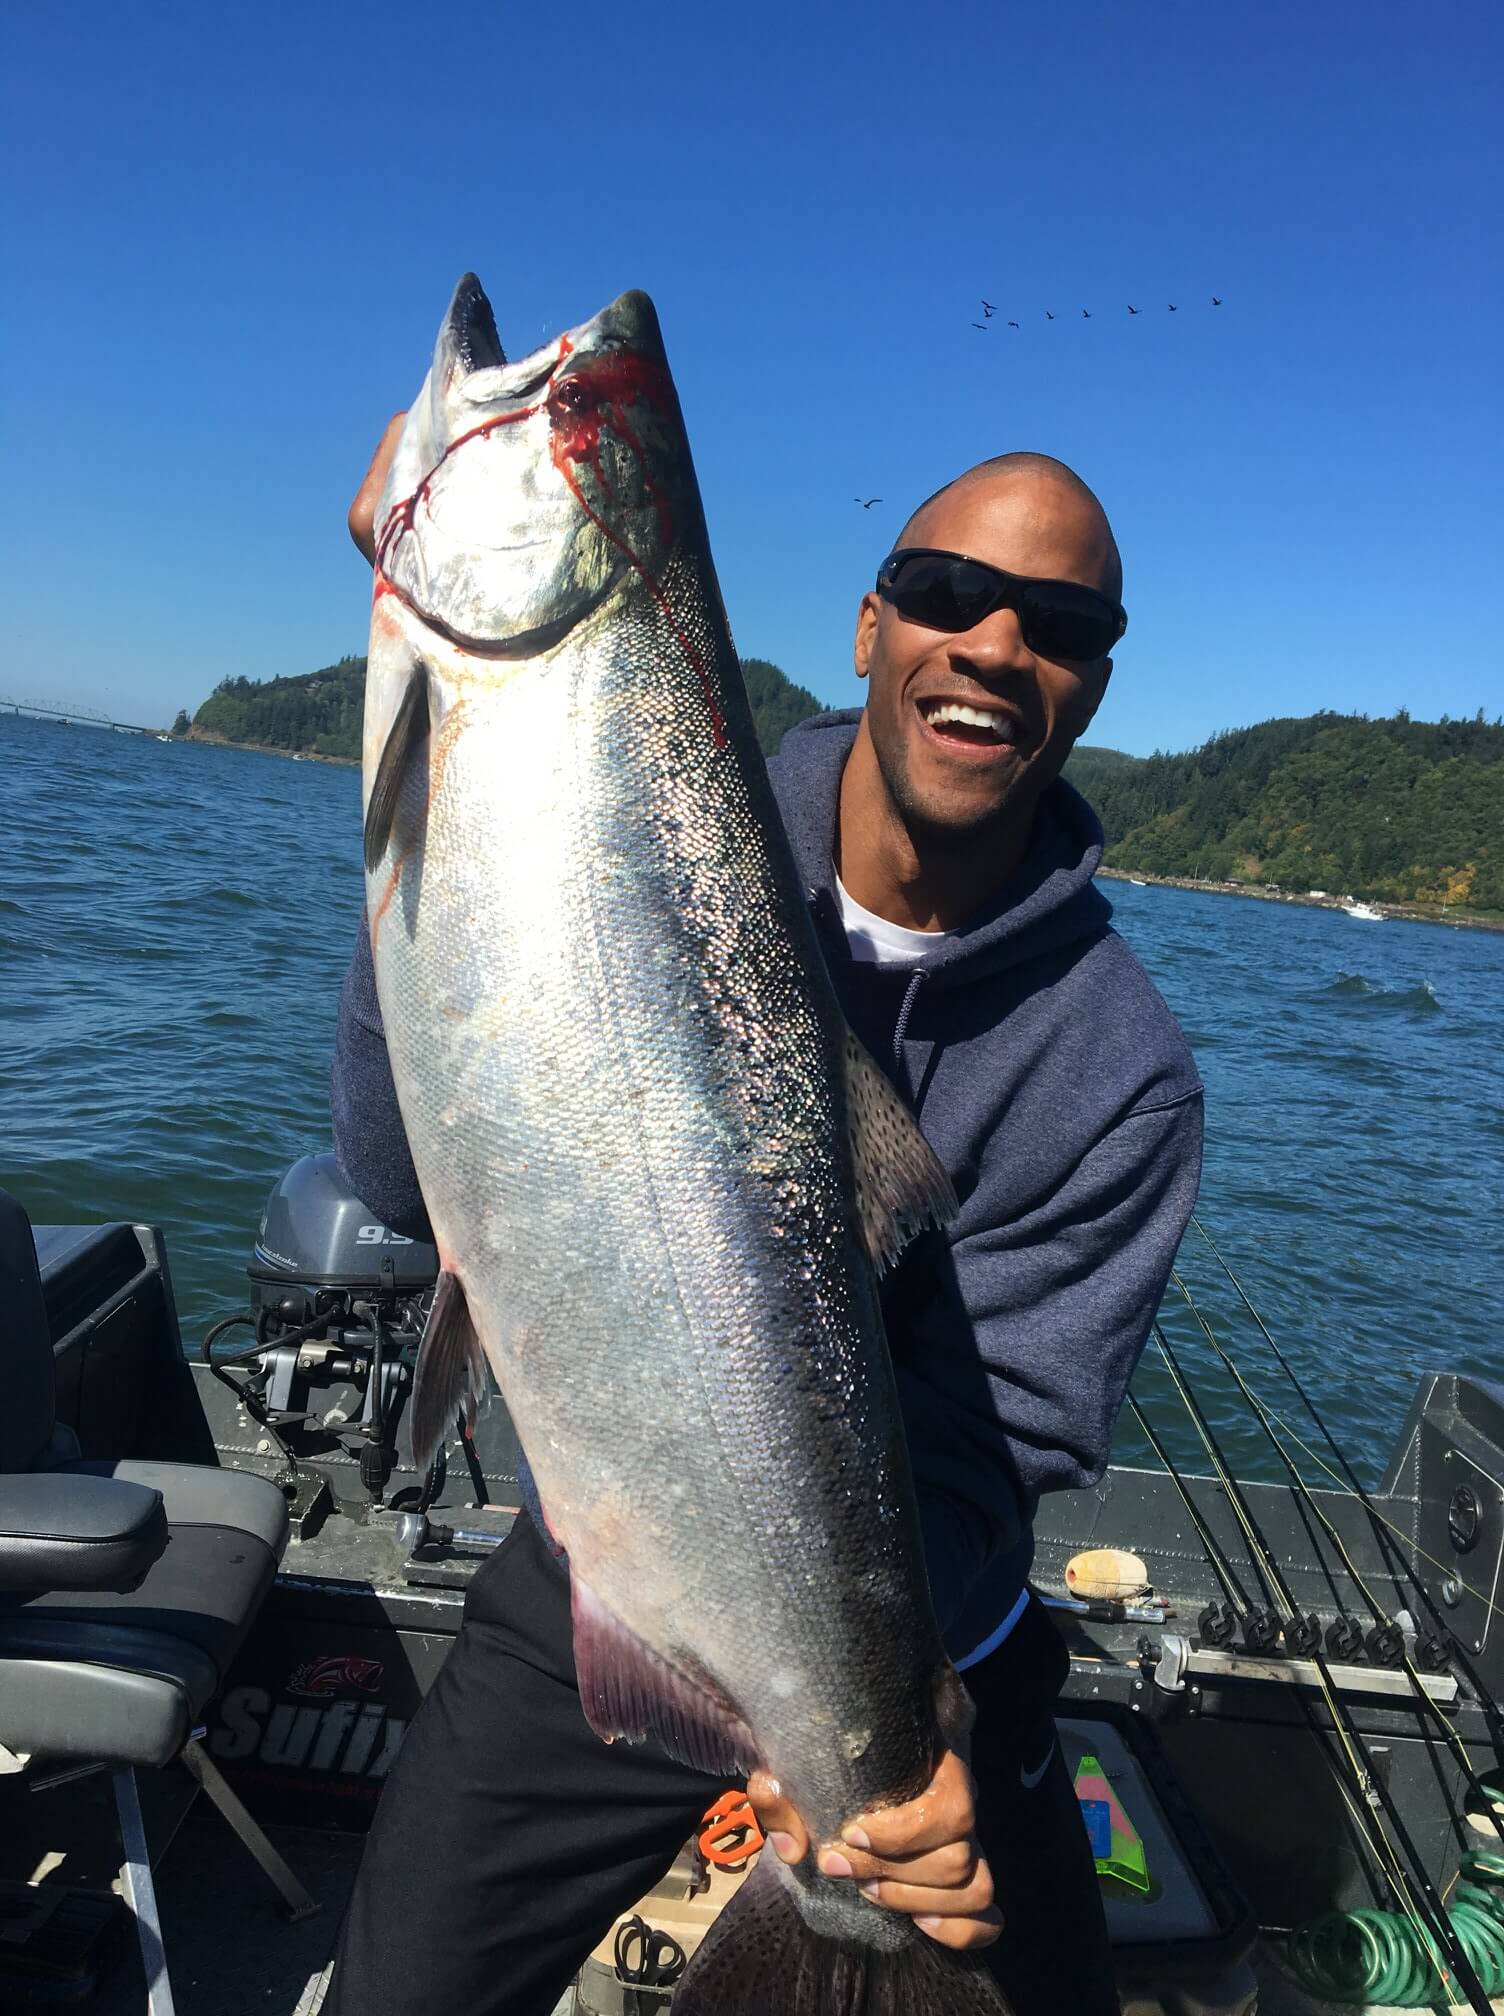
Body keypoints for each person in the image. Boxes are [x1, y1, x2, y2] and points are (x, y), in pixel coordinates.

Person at [324, 434, 1203, 2016]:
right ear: (872, 625)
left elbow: (991, 1441)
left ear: (1093, 688)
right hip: (610, 1554)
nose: (997, 644)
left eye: (1063, 626)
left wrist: (879, 1731)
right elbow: (400, 1182)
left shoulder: (1119, 1069)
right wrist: (450, 839)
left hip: (920, 1635)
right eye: (949, 591)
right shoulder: (617, 823)